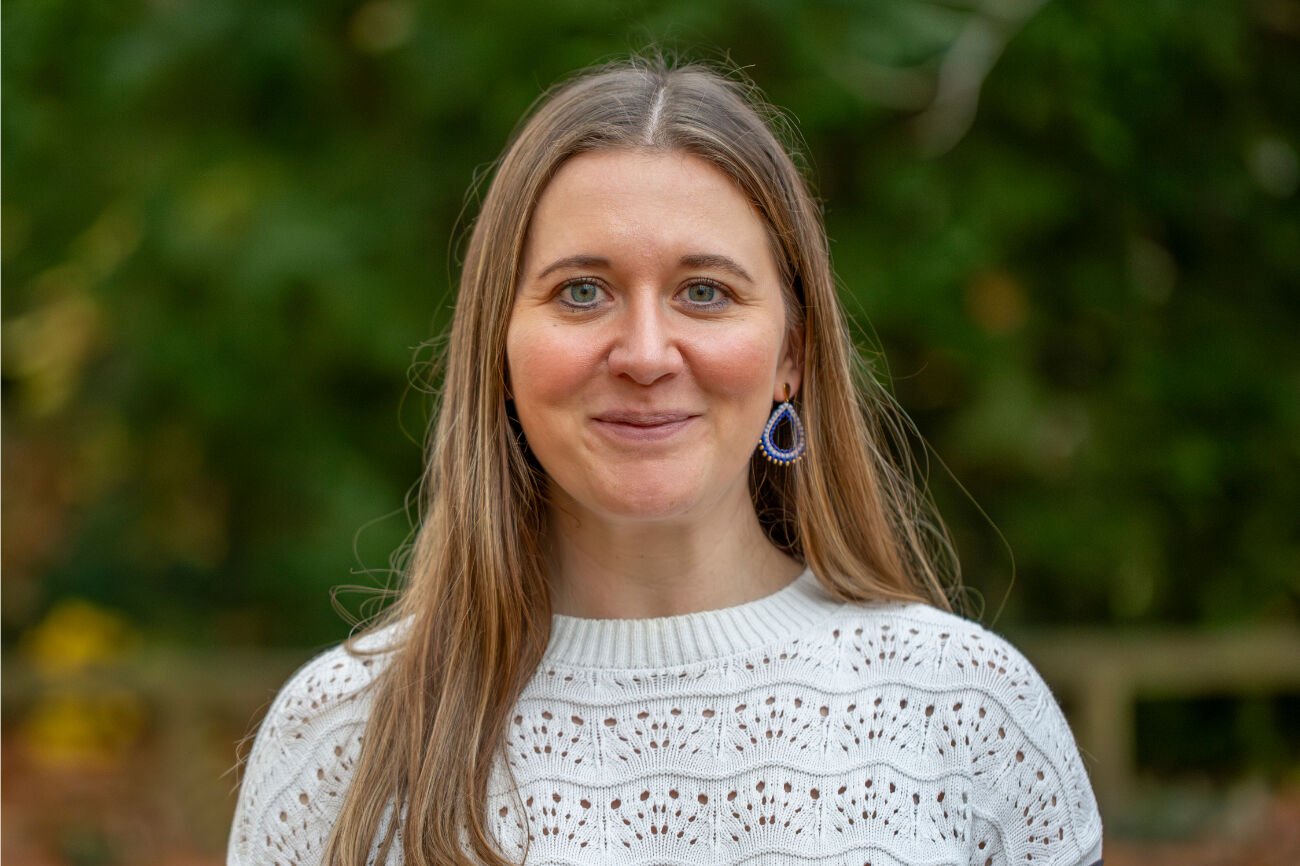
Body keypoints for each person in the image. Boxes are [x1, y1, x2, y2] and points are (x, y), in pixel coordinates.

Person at [228, 57, 1104, 866]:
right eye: (582, 291)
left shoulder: (967, 715)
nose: (646, 353)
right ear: (499, 347)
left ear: (791, 355)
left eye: (705, 292)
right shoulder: (340, 737)